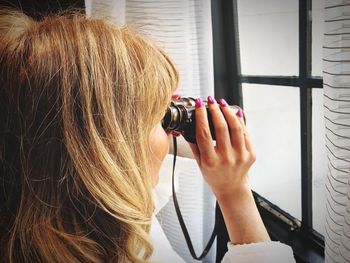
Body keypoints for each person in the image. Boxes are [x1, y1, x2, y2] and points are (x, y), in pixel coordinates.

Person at [0, 9, 295, 262]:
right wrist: (235, 194)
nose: (167, 135)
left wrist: (164, 122)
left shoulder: (70, 217)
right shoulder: (124, 240)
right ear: (102, 153)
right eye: (158, 118)